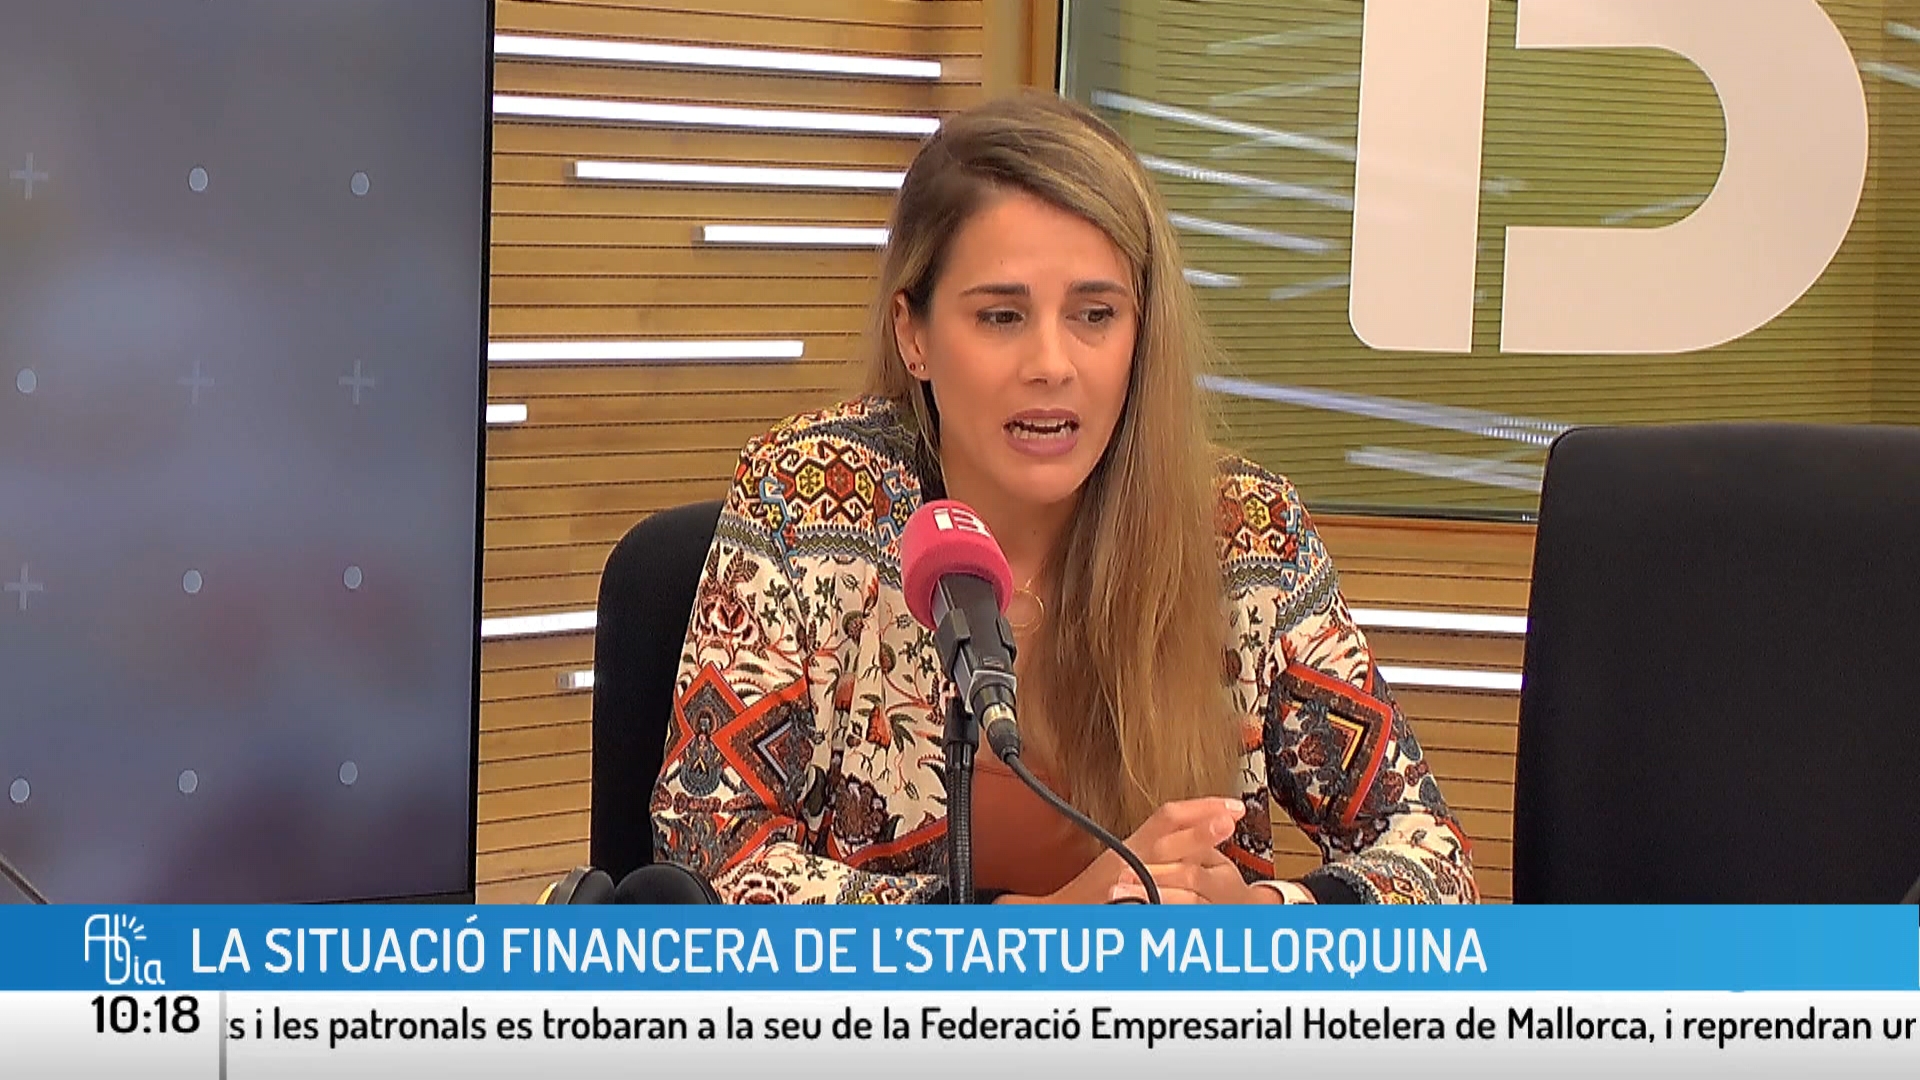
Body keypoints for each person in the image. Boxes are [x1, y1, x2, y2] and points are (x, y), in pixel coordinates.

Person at [650, 91, 1477, 905]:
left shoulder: (1245, 535)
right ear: (915, 334)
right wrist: (1035, 933)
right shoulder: (810, 503)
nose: (1052, 364)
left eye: (1094, 314)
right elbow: (708, 856)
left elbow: (1431, 858)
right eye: (1002, 317)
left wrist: (1261, 919)